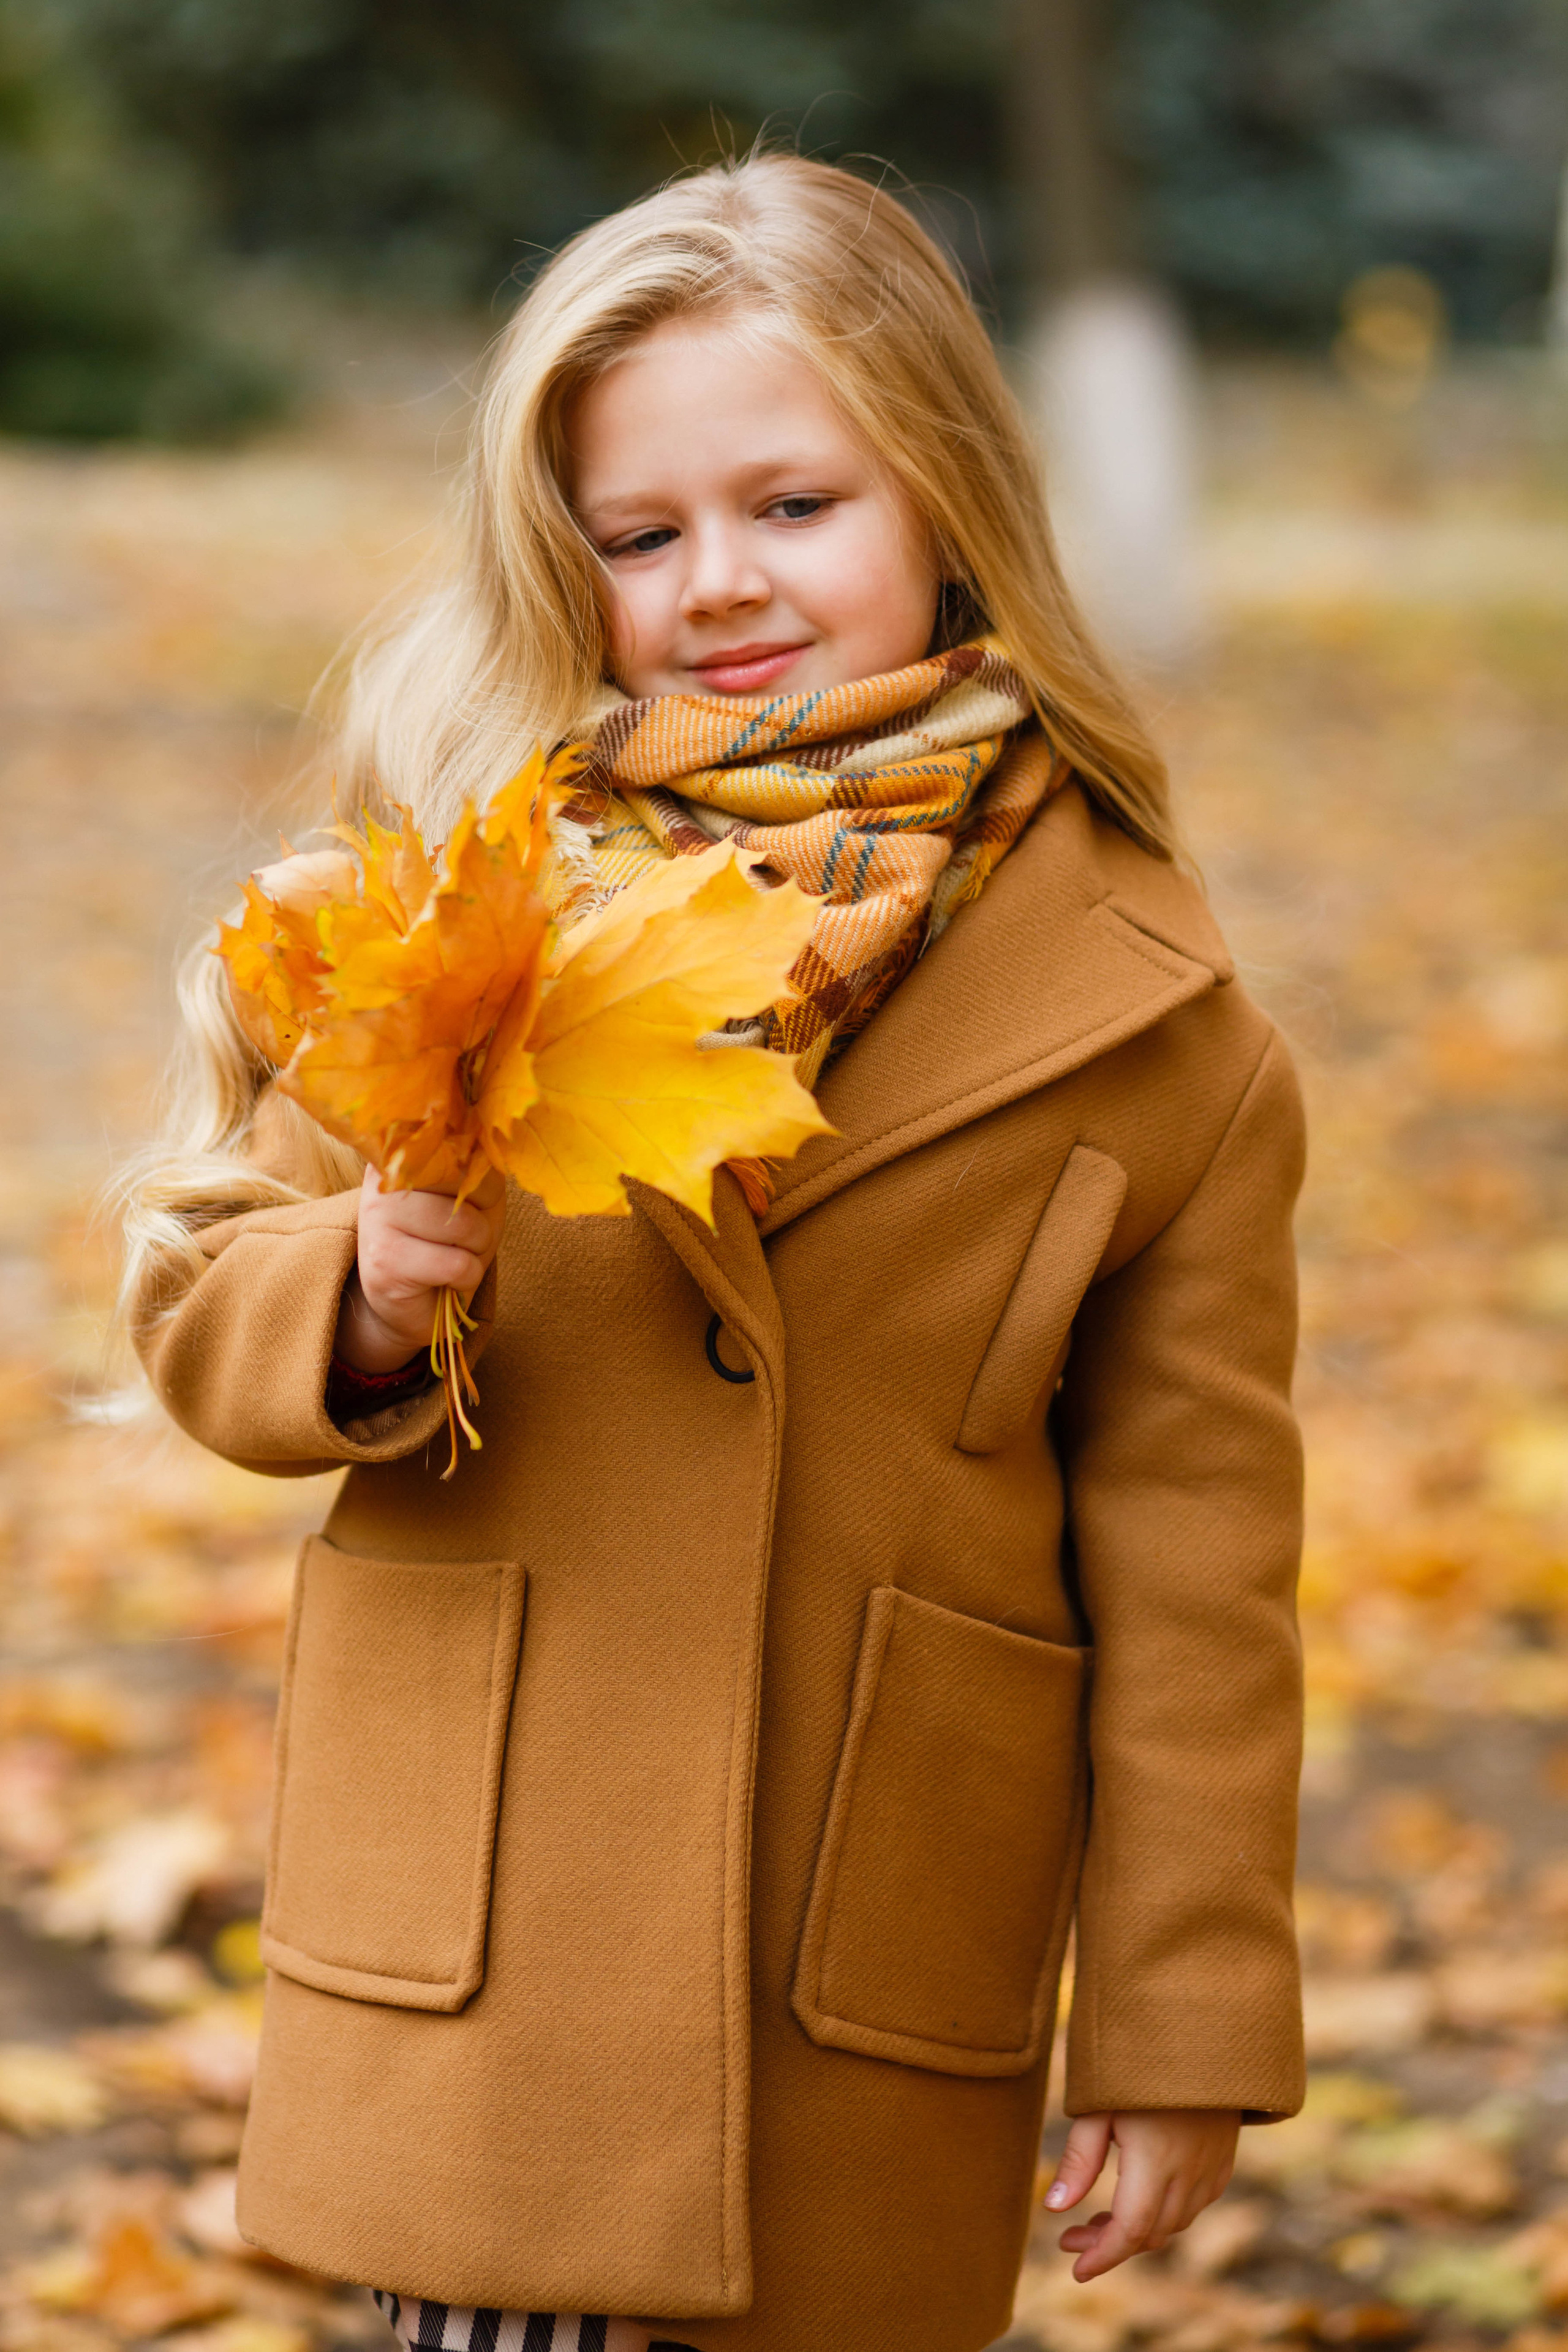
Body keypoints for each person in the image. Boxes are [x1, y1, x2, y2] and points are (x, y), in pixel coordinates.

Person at [120, 154, 1306, 2352]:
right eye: (640, 536)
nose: (719, 587)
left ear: (946, 493)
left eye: (795, 507)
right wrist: (361, 1302)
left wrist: (1183, 2014)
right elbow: (208, 1304)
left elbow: (1199, 1559)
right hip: (497, 1939)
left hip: (849, 1941)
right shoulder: (471, 905)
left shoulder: (1161, 1034)